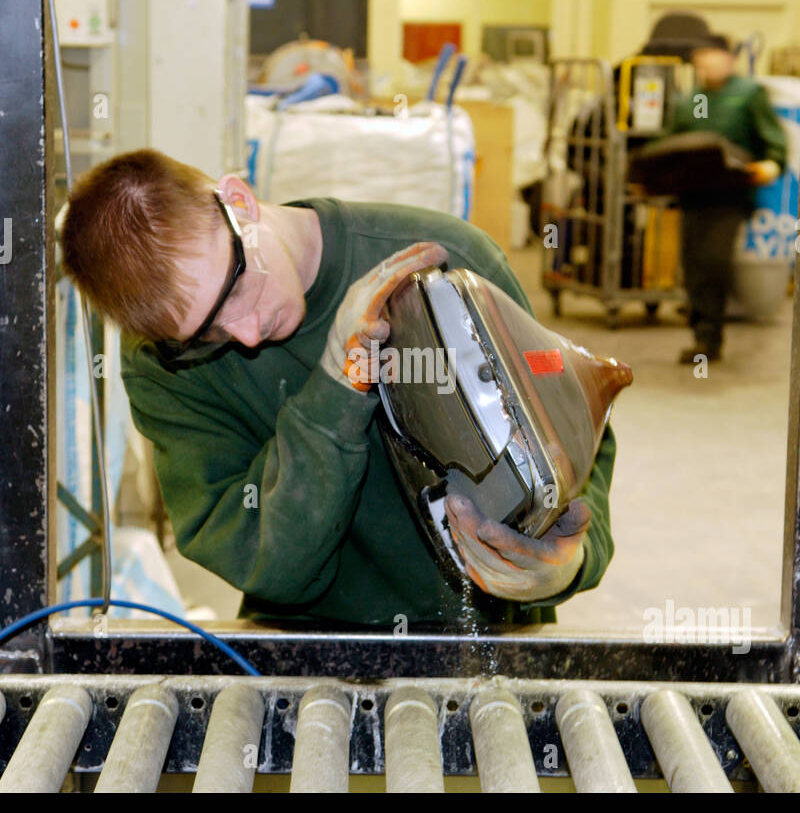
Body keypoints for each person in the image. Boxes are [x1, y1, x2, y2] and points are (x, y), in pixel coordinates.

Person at [58, 149, 617, 628]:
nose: (246, 334)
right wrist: (335, 387)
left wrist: (570, 561)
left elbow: (570, 421)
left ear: (241, 203)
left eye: (235, 288)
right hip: (310, 652)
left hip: (484, 641)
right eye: (207, 335)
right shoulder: (165, 365)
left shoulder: (444, 262)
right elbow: (269, 564)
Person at [669, 33, 787, 363]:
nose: (705, 63)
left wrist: (771, 163)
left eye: (712, 56)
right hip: (693, 196)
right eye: (700, 57)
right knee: (692, 265)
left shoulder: (748, 95)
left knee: (713, 261)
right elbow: (670, 142)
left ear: (728, 59)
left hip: (729, 197)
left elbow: (772, 140)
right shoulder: (689, 100)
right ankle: (701, 334)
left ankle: (710, 338)